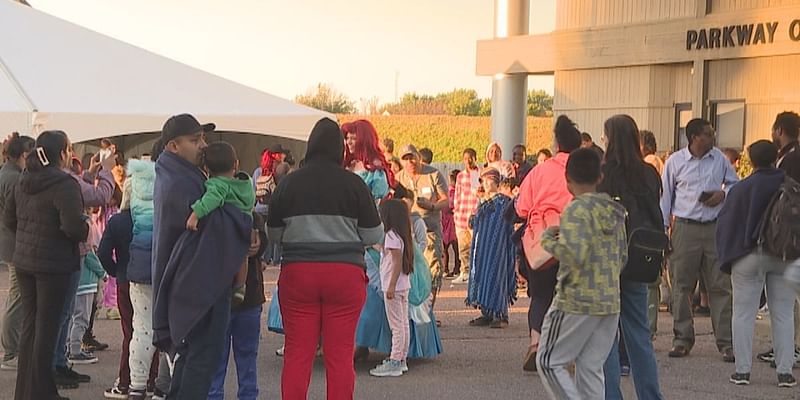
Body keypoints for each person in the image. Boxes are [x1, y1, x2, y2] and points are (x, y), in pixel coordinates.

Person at [268, 117, 383, 399]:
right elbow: (373, 235)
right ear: (339, 149)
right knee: (340, 355)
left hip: (298, 275)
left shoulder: (289, 183)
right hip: (344, 276)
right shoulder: (354, 184)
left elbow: (274, 234)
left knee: (297, 354)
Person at [152, 113, 249, 400]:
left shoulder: (177, 175)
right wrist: (249, 225)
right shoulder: (181, 183)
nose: (203, 146)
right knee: (201, 362)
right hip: (199, 286)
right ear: (173, 146)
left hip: (192, 285)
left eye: (203, 138)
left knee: (192, 361)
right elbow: (215, 226)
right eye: (195, 140)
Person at [536, 148, 628, 400]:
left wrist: (548, 241)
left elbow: (574, 256)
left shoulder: (576, 211)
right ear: (600, 177)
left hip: (576, 300)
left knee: (548, 361)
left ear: (567, 181)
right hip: (609, 301)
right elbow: (622, 258)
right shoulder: (614, 213)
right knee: (590, 367)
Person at [5, 130, 89, 400]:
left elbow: (9, 220)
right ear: (62, 153)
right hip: (53, 264)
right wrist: (86, 226)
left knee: (31, 326)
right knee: (47, 329)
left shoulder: (24, 180)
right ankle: (41, 393)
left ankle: (26, 392)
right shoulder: (65, 185)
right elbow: (73, 228)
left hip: (25, 261)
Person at [717, 140, 797, 388]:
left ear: (751, 161)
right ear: (776, 157)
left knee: (743, 313)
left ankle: (742, 372)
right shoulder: (791, 186)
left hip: (748, 254)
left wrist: (728, 257)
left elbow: (726, 224)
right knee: (783, 313)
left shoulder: (742, 188)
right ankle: (785, 372)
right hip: (782, 255)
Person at [597, 115, 665, 400]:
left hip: (609, 262)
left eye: (604, 136)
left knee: (605, 337)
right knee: (639, 334)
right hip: (640, 259)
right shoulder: (649, 173)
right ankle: (650, 395)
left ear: (611, 139)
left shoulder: (605, 173)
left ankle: (611, 395)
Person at [660, 118, 739, 361]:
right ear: (694, 137)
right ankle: (682, 339)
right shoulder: (675, 161)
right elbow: (666, 196)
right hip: (685, 227)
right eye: (707, 133)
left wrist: (722, 194)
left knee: (720, 285)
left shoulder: (719, 160)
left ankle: (726, 342)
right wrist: (664, 229)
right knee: (682, 285)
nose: (713, 136)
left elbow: (736, 185)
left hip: (714, 227)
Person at [517, 115, 581, 372]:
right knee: (569, 297)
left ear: (556, 145)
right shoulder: (582, 168)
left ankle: (536, 343)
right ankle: (566, 352)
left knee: (541, 295)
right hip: (573, 239)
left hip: (541, 241)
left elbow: (522, 208)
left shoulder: (539, 170)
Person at [53, 140, 117, 389]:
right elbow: (101, 196)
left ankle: (59, 362)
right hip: (69, 255)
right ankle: (58, 364)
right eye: (69, 150)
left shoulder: (49, 179)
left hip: (54, 256)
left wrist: (91, 173)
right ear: (61, 153)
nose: (72, 154)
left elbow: (84, 189)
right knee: (64, 314)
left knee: (65, 314)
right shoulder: (65, 182)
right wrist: (107, 171)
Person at [185, 142, 256, 306]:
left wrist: (195, 214)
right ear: (236, 164)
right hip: (246, 222)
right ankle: (240, 286)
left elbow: (211, 200)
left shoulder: (218, 184)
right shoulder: (245, 183)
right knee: (242, 256)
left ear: (207, 169)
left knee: (228, 254)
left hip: (230, 228)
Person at [208, 212, 267, 400]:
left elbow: (261, 244)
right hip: (245, 297)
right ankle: (243, 395)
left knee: (220, 358)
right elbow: (261, 244)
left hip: (228, 296)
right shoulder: (251, 216)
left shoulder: (216, 214)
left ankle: (218, 395)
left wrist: (259, 243)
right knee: (244, 357)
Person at [758, 111, 800, 364]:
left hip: (791, 233)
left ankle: (790, 346)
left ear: (779, 130)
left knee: (789, 294)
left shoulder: (792, 159)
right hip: (790, 234)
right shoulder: (788, 156)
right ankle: (786, 345)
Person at [122, 150, 164, 400]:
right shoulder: (173, 181)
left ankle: (137, 384)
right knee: (171, 326)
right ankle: (164, 385)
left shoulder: (131, 181)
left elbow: (124, 215)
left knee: (141, 328)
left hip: (139, 259)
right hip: (167, 261)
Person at [395, 144, 449, 306]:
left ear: (418, 156)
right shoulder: (398, 178)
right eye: (405, 159)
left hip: (430, 231)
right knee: (411, 271)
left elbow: (446, 200)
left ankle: (429, 311)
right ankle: (413, 310)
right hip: (407, 233)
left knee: (432, 271)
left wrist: (432, 206)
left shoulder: (433, 174)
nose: (410, 162)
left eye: (412, 157)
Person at [466, 168, 517, 329]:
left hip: (499, 246)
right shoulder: (482, 202)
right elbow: (474, 224)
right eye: (483, 180)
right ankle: (486, 312)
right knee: (482, 275)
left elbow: (508, 224)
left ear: (496, 181)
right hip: (482, 246)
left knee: (496, 275)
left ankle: (501, 315)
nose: (486, 184)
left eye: (489, 180)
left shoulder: (504, 202)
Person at [369, 199, 415, 377]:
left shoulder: (391, 236)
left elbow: (395, 263)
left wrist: (390, 286)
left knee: (396, 325)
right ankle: (401, 359)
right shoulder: (399, 236)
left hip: (394, 287)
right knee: (403, 324)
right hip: (402, 286)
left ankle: (395, 360)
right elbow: (387, 253)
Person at [0, 133, 34, 371]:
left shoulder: (6, 173)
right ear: (24, 154)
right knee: (17, 297)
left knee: (16, 296)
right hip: (14, 244)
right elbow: (17, 215)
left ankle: (12, 348)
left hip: (9, 243)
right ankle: (11, 351)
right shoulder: (15, 178)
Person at [639, 129, 666, 337]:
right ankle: (648, 326)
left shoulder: (650, 163)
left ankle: (649, 326)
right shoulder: (653, 163)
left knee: (649, 283)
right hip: (653, 226)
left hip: (646, 228)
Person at [67, 233, 107, 364]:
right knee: (82, 318)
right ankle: (75, 350)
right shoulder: (84, 243)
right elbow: (91, 259)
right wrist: (103, 273)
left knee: (72, 318)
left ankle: (69, 347)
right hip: (86, 283)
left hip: (75, 282)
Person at [452, 148, 480, 284]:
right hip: (461, 215)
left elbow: (478, 195)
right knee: (463, 247)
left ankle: (476, 272)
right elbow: (457, 194)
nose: (468, 161)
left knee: (476, 245)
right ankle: (465, 272)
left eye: (471, 158)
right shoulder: (460, 176)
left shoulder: (478, 174)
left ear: (475, 158)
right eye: (465, 158)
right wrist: (456, 212)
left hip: (474, 215)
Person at [442, 169, 460, 278]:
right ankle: (445, 268)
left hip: (453, 220)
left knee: (456, 246)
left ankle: (457, 267)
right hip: (447, 221)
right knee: (445, 246)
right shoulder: (448, 191)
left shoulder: (456, 192)